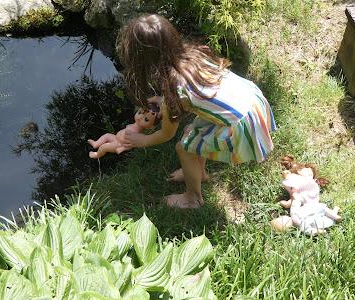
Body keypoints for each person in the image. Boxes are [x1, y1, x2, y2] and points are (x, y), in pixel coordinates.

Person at [118, 14, 276, 209]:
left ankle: (192, 198)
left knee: (183, 148)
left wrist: (143, 140)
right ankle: (198, 173)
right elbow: (195, 92)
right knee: (192, 133)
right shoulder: (192, 53)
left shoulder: (174, 89)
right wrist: (163, 101)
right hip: (249, 100)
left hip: (241, 122)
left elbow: (166, 134)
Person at [88, 107, 159, 158]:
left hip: (119, 144)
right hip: (116, 138)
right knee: (107, 135)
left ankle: (97, 154)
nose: (140, 117)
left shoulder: (137, 134)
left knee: (104, 147)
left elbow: (132, 144)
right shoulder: (134, 125)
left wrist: (122, 148)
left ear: (151, 126)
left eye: (146, 119)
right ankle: (96, 143)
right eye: (139, 113)